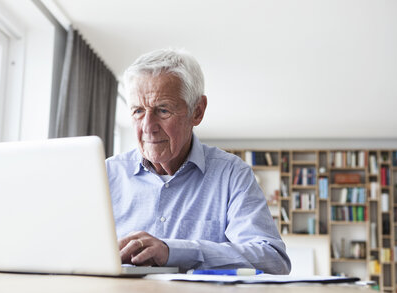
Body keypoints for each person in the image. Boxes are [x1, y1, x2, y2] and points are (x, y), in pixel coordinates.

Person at [106, 49, 291, 274]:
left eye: (162, 110)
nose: (147, 127)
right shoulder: (106, 174)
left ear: (197, 111)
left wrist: (173, 251)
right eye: (137, 111)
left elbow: (273, 259)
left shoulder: (232, 174)